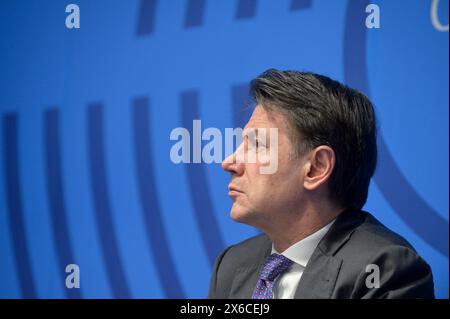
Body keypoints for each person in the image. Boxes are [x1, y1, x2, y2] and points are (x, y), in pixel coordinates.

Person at [208, 69, 434, 299]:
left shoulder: (385, 270)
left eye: (256, 144)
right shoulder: (231, 264)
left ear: (317, 167)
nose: (229, 162)